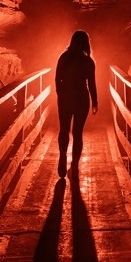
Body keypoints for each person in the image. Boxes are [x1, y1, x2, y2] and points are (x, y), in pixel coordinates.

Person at [54, 30, 98, 177]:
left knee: (64, 129)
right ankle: (75, 165)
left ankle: (62, 157)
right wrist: (95, 102)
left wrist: (60, 94)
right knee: (77, 133)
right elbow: (91, 83)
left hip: (66, 96)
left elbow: (57, 78)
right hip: (81, 97)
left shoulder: (64, 58)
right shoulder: (88, 62)